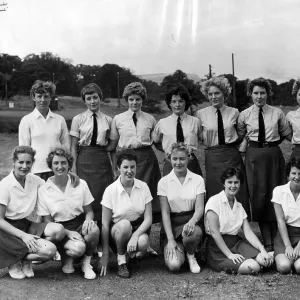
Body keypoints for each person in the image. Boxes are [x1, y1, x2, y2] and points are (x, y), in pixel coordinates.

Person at [237, 77, 292, 251]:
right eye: (256, 93)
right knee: (259, 195)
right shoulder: (244, 114)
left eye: (262, 93)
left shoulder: (277, 113)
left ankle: (277, 239)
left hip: (273, 155)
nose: (259, 97)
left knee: (276, 193)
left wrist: (271, 143)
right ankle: (266, 241)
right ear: (250, 94)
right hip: (254, 156)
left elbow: (286, 133)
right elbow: (240, 135)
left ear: (268, 94)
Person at [0, 146, 65, 279]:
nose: (24, 166)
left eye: (28, 162)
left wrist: (70, 176)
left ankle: (25, 259)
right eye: (20, 162)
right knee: (49, 250)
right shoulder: (5, 185)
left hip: (27, 224)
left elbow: (52, 184)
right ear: (14, 162)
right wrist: (23, 236)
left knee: (57, 231)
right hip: (7, 230)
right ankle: (14, 261)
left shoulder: (34, 180)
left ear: (32, 163)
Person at [37, 148, 100, 280]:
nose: (60, 167)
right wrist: (68, 233)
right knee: (78, 249)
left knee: (93, 229)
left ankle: (86, 263)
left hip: (79, 223)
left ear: (69, 164)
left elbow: (89, 211)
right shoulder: (44, 190)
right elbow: (47, 222)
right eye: (56, 163)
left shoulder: (80, 183)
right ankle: (66, 255)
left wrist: (89, 220)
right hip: (60, 229)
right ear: (51, 165)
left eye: (63, 163)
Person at [107, 82, 161, 223]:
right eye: (131, 99)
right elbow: (112, 144)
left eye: (138, 99)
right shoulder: (118, 119)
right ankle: (127, 229)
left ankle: (144, 234)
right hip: (127, 159)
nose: (134, 102)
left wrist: (171, 150)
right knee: (128, 195)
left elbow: (158, 143)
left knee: (145, 197)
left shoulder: (150, 119)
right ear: (127, 100)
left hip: (147, 160)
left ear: (142, 99)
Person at [205, 166, 273, 274]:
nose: (233, 186)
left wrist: (262, 249)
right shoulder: (214, 202)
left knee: (263, 259)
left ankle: (264, 258)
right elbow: (214, 232)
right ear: (224, 183)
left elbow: (248, 232)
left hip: (237, 244)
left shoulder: (239, 206)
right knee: (254, 266)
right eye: (230, 182)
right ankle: (251, 262)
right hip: (218, 249)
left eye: (236, 182)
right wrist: (229, 255)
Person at [196, 76, 249, 214]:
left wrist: (242, 146)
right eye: (210, 94)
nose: (213, 97)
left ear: (224, 93)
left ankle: (237, 227)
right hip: (213, 156)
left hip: (232, 155)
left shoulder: (235, 112)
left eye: (217, 93)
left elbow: (243, 133)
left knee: (235, 190)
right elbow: (198, 135)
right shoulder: (200, 114)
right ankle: (215, 228)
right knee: (215, 191)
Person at [100, 150, 152, 278]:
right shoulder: (111, 190)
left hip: (137, 229)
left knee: (143, 241)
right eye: (125, 167)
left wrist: (135, 236)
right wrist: (105, 253)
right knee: (124, 225)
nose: (129, 170)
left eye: (132, 167)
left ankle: (131, 255)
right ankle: (121, 260)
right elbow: (105, 225)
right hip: (117, 232)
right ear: (118, 168)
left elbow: (148, 218)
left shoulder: (143, 186)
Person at [157, 143, 205, 273]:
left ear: (188, 158)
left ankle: (191, 255)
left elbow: (200, 208)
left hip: (192, 221)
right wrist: (171, 239)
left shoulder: (198, 180)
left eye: (182, 159)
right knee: (174, 266)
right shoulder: (163, 182)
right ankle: (181, 249)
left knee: (190, 233)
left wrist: (192, 221)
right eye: (175, 159)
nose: (178, 162)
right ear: (169, 159)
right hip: (173, 224)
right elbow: (165, 213)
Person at [70, 83, 113, 222]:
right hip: (84, 158)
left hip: (101, 159)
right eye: (88, 98)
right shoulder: (78, 119)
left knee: (103, 192)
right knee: (85, 192)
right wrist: (74, 167)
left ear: (100, 98)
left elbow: (112, 146)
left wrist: (114, 167)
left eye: (95, 97)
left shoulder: (108, 120)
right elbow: (73, 146)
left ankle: (103, 227)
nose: (92, 101)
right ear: (84, 101)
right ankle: (87, 226)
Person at [19, 80, 70, 181]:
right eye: (39, 96)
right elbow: (24, 149)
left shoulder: (60, 119)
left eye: (46, 96)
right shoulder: (27, 120)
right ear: (33, 97)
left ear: (51, 97)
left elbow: (66, 146)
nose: (43, 100)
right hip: (36, 171)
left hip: (57, 169)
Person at [153, 84, 202, 176]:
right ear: (169, 103)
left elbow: (200, 138)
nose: (177, 104)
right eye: (174, 101)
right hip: (171, 162)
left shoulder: (195, 121)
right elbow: (155, 141)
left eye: (181, 101)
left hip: (190, 162)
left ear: (185, 102)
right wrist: (168, 151)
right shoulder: (162, 123)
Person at [272, 157, 300, 274]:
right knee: (285, 267)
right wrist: (288, 246)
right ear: (288, 175)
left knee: (299, 268)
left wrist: (299, 247)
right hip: (285, 234)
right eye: (293, 173)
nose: (297, 177)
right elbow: (280, 221)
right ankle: (280, 257)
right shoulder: (278, 191)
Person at [286, 79, 300, 158]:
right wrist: (296, 141)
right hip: (298, 153)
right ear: (296, 96)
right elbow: (285, 133)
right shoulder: (290, 115)